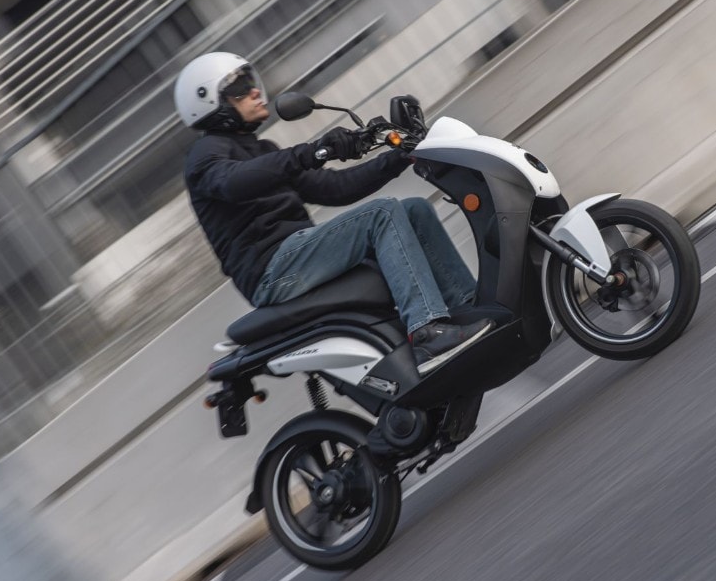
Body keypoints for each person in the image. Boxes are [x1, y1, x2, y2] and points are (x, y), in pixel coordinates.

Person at [176, 52, 491, 374]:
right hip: (272, 271)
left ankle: (465, 306)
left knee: (414, 209)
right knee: (380, 214)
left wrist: (399, 158)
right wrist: (315, 151)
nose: (255, 90)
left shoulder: (263, 150)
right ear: (212, 103)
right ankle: (425, 332)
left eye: (250, 82)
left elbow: (335, 188)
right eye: (240, 88)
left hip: (297, 253)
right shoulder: (205, 154)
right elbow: (232, 182)